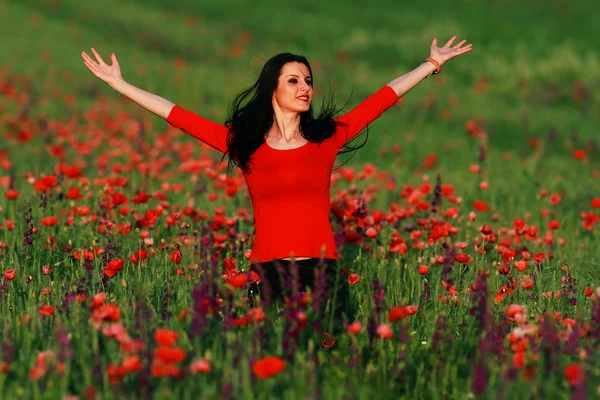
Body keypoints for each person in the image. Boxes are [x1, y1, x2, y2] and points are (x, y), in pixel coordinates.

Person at [81, 36, 472, 329]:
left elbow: (384, 97)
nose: (305, 87)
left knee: (325, 360)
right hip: (266, 271)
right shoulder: (245, 146)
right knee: (270, 359)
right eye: (293, 80)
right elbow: (177, 114)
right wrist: (121, 85)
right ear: (273, 89)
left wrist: (432, 63)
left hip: (322, 271)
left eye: (308, 80)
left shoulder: (327, 138)